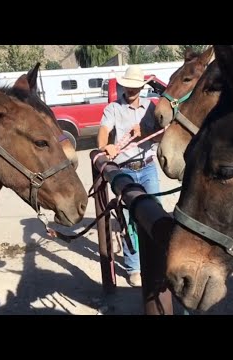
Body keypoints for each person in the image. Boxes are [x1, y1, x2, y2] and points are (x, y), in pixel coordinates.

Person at [97, 65, 163, 287]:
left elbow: (158, 138)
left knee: (155, 214)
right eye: (128, 86)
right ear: (123, 85)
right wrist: (106, 147)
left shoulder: (152, 108)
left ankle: (157, 262)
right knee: (129, 218)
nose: (131, 90)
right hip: (124, 169)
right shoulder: (113, 108)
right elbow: (104, 131)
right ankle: (135, 267)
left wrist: (145, 133)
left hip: (147, 167)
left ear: (141, 87)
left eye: (135, 87)